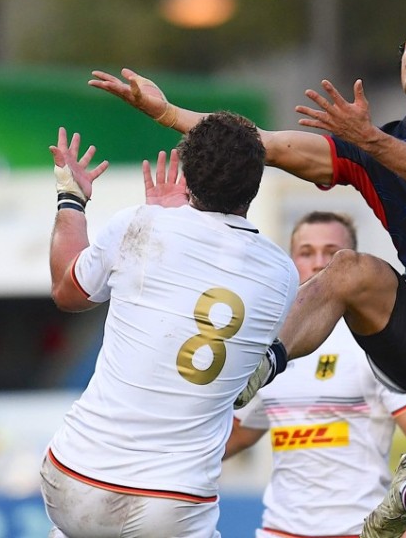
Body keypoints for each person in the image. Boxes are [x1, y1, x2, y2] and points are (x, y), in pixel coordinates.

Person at [88, 5, 406, 538]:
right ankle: (260, 367)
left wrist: (368, 139)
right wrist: (170, 114)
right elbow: (265, 145)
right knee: (347, 269)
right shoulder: (373, 146)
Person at [41, 112, 300, 538]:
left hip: (73, 479)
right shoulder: (281, 275)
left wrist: (72, 197)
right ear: (255, 183)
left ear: (188, 172)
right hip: (171, 502)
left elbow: (65, 291)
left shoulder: (140, 224)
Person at [224, 211, 406, 538]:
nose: (319, 262)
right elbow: (236, 435)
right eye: (306, 252)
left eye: (332, 254)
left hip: (362, 530)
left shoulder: (376, 343)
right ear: (292, 261)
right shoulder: (270, 344)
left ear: (350, 265)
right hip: (280, 530)